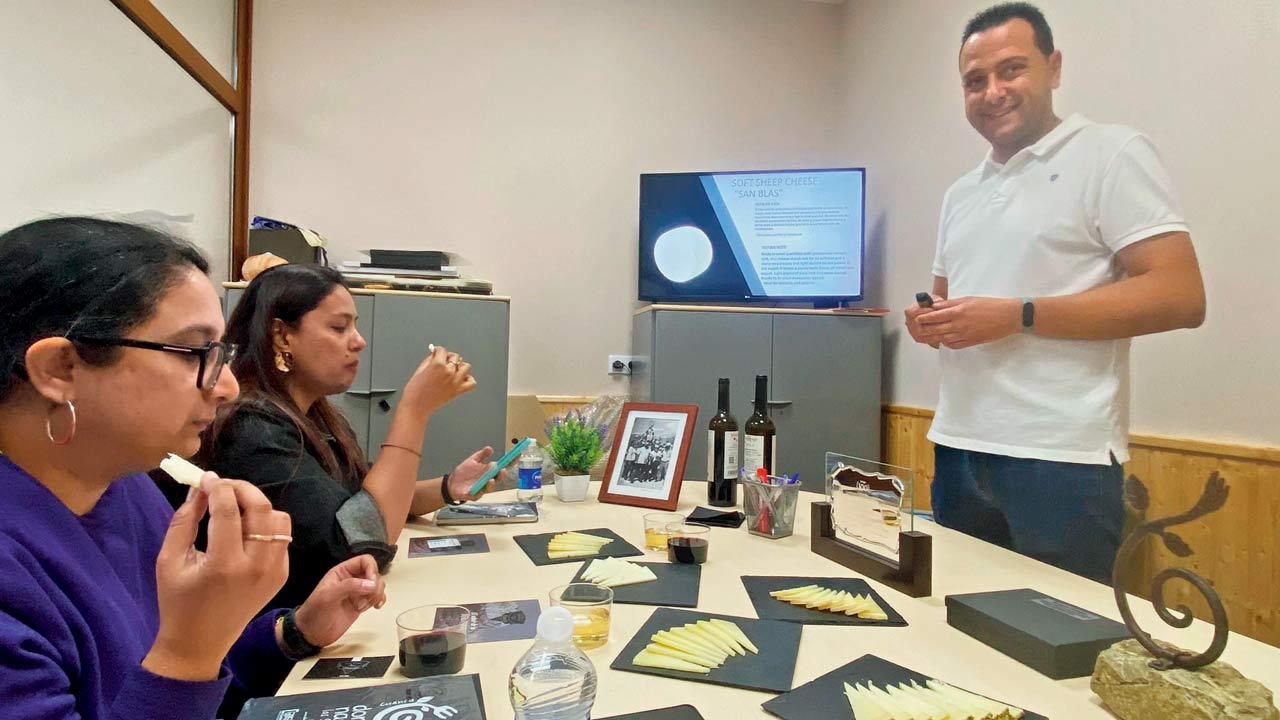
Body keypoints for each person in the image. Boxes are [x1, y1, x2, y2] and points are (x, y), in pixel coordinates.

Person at [0, 217, 386, 719]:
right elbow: (180, 669)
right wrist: (190, 654)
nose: (225, 386)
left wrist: (293, 631)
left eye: (221, 352)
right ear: (60, 370)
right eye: (194, 353)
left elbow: (204, 682)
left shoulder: (128, 490)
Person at [903, 3, 1205, 583]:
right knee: (958, 636)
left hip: (1063, 459)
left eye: (1011, 70)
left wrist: (1018, 315)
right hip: (958, 449)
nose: (993, 92)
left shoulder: (1111, 154)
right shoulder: (962, 192)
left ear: (1054, 67)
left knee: (1058, 658)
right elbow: (944, 305)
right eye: (974, 81)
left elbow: (1181, 296)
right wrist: (930, 322)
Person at [198, 264, 496, 610]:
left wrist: (448, 487)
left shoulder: (316, 417)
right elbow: (360, 539)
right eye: (339, 327)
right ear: (281, 336)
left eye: (355, 326)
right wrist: (414, 411)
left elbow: (365, 498)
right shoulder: (251, 428)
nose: (359, 341)